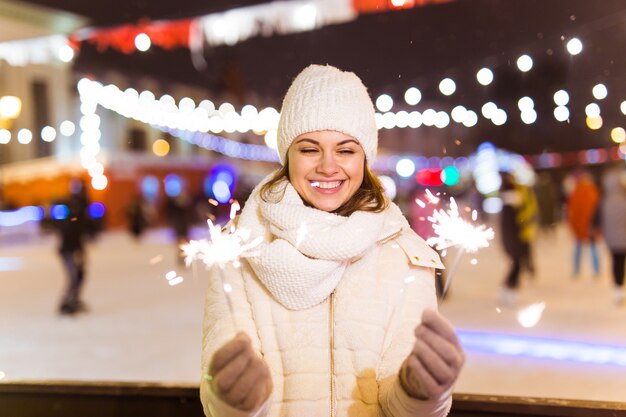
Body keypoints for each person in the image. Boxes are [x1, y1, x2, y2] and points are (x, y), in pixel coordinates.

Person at [200, 65, 464, 417]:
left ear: (365, 157)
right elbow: (216, 399)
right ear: (287, 155)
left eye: (345, 150)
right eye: (309, 149)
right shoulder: (240, 250)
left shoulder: (404, 255)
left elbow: (404, 409)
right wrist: (236, 401)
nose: (328, 166)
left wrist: (420, 393)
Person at [57, 178, 90, 315]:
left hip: (75, 247)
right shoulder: (72, 209)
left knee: (79, 274)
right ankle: (67, 302)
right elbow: (69, 231)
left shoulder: (79, 208)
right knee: (74, 276)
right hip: (68, 248)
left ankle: (73, 299)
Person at [566, 170, 601, 277]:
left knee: (578, 248)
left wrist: (574, 226)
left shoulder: (576, 192)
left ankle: (576, 269)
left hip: (579, 226)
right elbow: (598, 210)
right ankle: (596, 269)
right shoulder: (593, 192)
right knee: (593, 248)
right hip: (591, 225)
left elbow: (572, 212)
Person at [600, 166, 626, 305]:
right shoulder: (624, 199)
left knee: (616, 263)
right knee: (621, 262)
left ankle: (617, 289)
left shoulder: (605, 201)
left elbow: (599, 220)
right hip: (623, 238)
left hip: (612, 239)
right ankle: (619, 288)